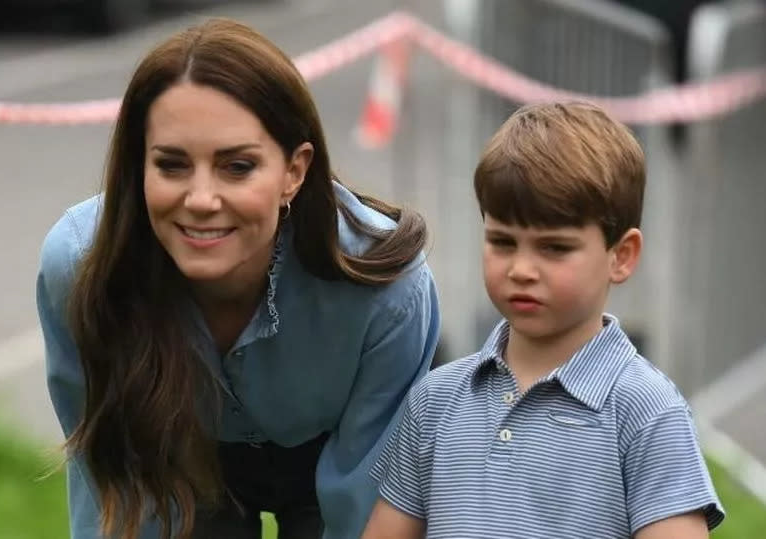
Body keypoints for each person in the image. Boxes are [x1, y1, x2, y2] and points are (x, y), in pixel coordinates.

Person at [36, 17, 440, 539]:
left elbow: (368, 502)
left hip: (338, 457)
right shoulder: (80, 266)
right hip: (179, 461)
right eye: (172, 165)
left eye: (237, 167)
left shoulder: (387, 286)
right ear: (139, 166)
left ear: (294, 171)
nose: (201, 200)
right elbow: (115, 486)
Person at [363, 102, 724, 539]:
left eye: (554, 247)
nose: (522, 269)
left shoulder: (646, 412)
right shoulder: (435, 402)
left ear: (621, 256)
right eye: (502, 241)